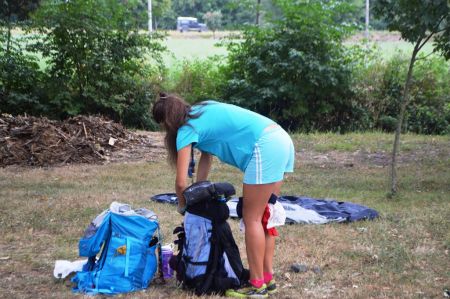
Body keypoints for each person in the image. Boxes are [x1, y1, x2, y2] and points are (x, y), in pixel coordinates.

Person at [152, 93, 295, 298]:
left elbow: (181, 182)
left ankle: (256, 285)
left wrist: (183, 205)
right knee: (265, 215)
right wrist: (199, 191)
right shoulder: (203, 109)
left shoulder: (186, 129)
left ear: (166, 122)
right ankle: (267, 278)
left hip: (265, 146)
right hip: (280, 138)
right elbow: (206, 157)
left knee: (252, 217)